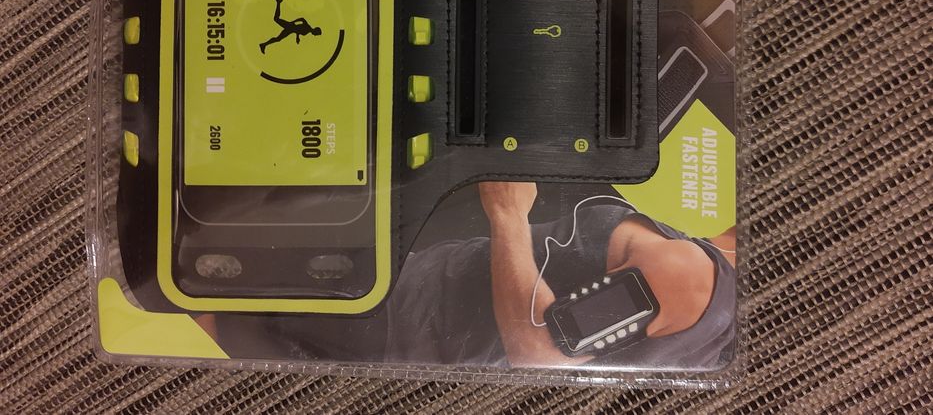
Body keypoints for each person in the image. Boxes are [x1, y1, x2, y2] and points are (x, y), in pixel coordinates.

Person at [202, 182, 736, 370]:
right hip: (420, 336)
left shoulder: (692, 274)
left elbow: (541, 351)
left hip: (407, 312)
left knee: (214, 297)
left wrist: (508, 213)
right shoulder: (717, 330)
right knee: (233, 319)